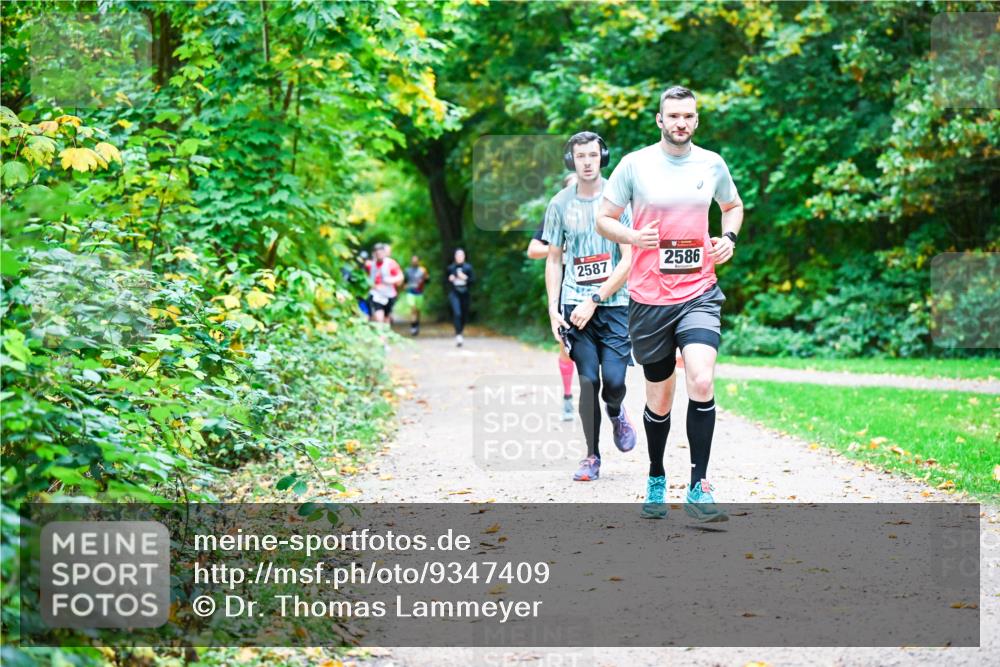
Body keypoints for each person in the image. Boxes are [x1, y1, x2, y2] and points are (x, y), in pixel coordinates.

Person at [597, 85, 744, 521]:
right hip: (648, 299)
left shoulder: (711, 163)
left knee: (700, 380)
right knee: (659, 398)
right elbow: (603, 218)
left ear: (696, 121)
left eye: (689, 116)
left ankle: (699, 487)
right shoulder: (634, 165)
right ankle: (657, 475)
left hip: (699, 292)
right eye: (673, 116)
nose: (681, 123)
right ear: (659, 120)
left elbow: (732, 206)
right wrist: (630, 236)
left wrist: (728, 238)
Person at [544, 131, 637, 482]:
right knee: (587, 380)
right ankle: (591, 456)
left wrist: (595, 298)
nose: (587, 162)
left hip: (613, 306)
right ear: (572, 160)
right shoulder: (559, 203)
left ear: (602, 157)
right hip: (572, 305)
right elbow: (553, 260)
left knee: (613, 381)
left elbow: (629, 259)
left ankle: (616, 411)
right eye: (580, 155)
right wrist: (554, 308)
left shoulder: (619, 202)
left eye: (593, 155)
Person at [527, 173, 578, 422]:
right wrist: (558, 248)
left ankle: (606, 398)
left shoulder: (601, 212)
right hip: (565, 286)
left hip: (596, 287)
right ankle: (568, 396)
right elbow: (533, 249)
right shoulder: (555, 215)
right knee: (567, 347)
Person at [365, 243, 404, 326]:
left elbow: (400, 277)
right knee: (379, 318)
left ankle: (385, 336)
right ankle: (381, 337)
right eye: (377, 253)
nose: (379, 255)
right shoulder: (369, 265)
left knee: (386, 318)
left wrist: (391, 280)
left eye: (381, 253)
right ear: (374, 254)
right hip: (376, 294)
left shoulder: (391, 264)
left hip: (389, 294)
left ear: (384, 253)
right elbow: (365, 277)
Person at [446, 248, 474, 346]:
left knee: (464, 315)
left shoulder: (468, 268)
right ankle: (458, 335)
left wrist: (465, 278)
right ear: (455, 257)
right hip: (454, 293)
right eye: (458, 256)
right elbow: (445, 281)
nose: (459, 258)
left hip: (465, 293)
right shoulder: (451, 268)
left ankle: (460, 331)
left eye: (461, 256)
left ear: (464, 257)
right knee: (457, 313)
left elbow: (473, 281)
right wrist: (450, 279)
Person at [401, 255, 429, 336]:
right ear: (411, 262)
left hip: (419, 292)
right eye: (413, 260)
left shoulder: (422, 270)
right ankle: (413, 327)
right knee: (413, 309)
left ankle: (417, 325)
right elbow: (404, 281)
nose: (414, 262)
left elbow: (427, 280)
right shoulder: (407, 270)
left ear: (418, 262)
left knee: (418, 311)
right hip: (410, 292)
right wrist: (404, 286)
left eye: (416, 260)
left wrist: (425, 278)